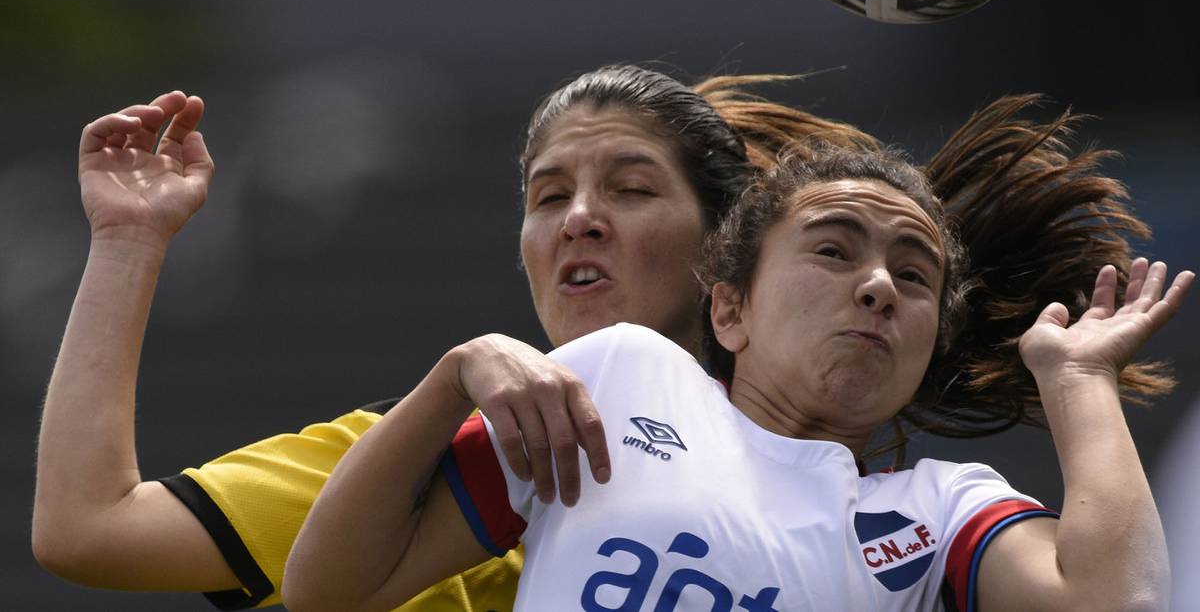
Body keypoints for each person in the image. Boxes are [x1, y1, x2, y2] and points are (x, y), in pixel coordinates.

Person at [32, 65, 880, 610]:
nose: (579, 219)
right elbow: (89, 529)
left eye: (629, 188)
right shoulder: (418, 458)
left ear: (721, 243)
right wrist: (129, 240)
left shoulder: (838, 500)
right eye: (548, 198)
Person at [283, 143, 1192, 612]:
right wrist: (452, 377)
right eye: (833, 250)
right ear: (729, 310)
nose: (878, 284)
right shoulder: (621, 376)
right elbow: (327, 591)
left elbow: (1115, 603)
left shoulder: (943, 514)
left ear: (922, 344)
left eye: (914, 275)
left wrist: (1079, 381)